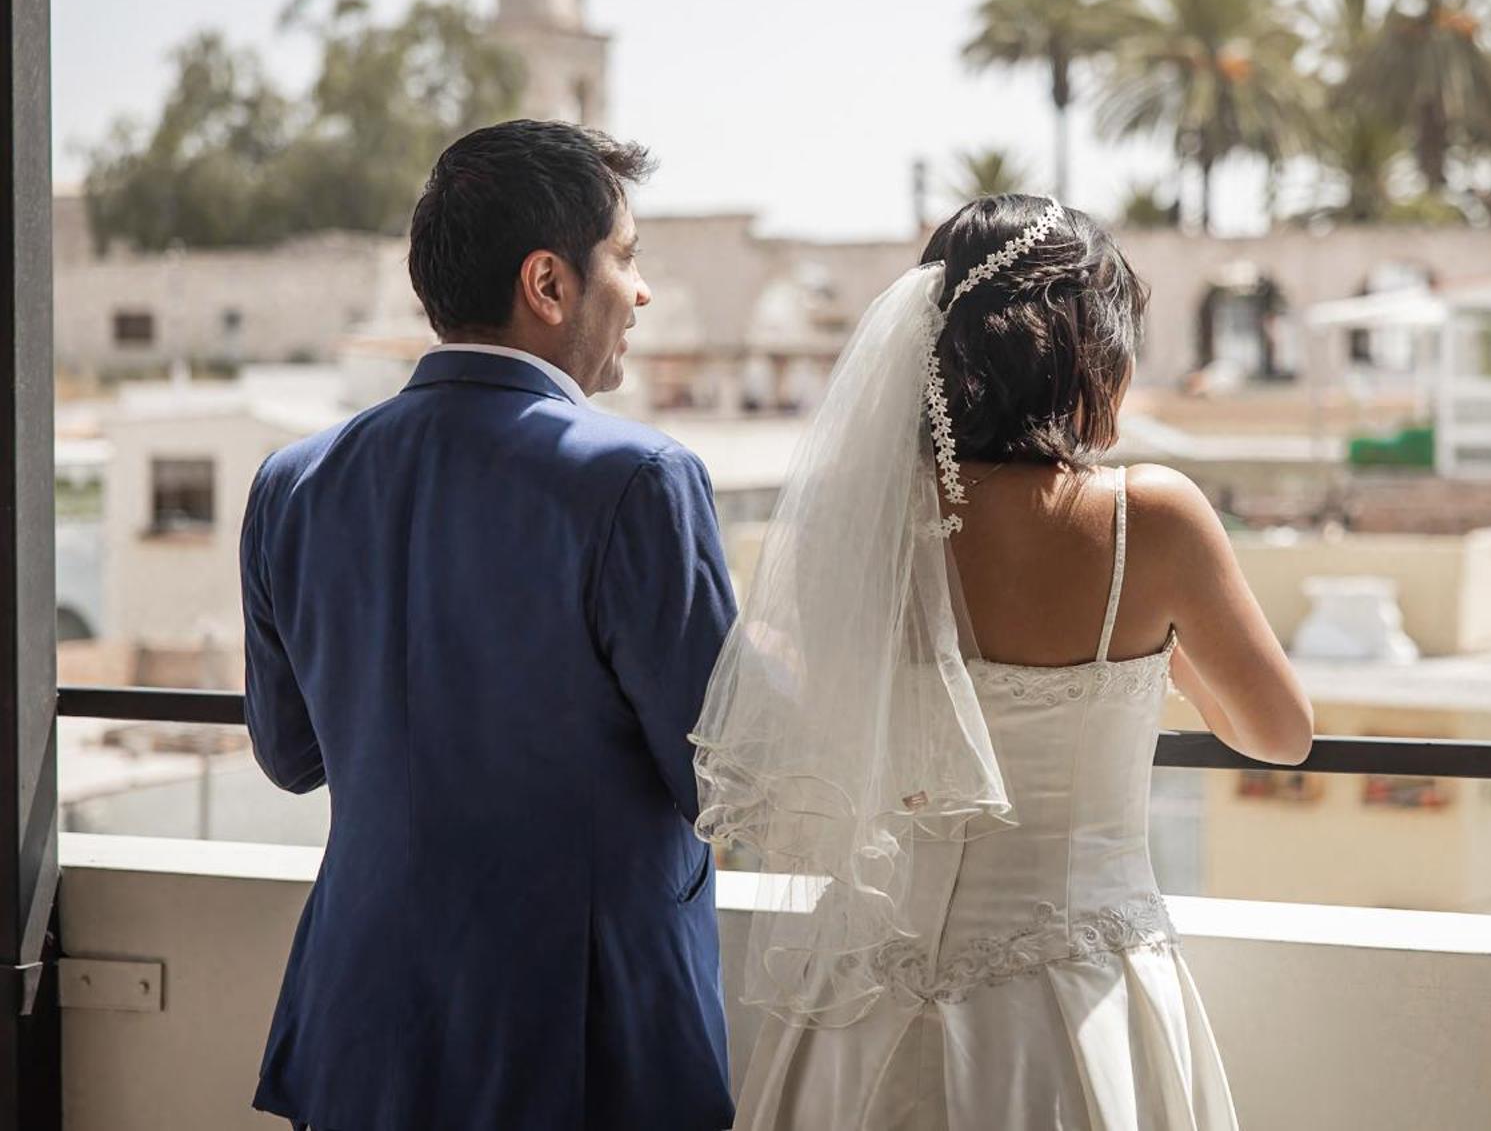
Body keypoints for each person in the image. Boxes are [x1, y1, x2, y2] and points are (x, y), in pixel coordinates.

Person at [694, 194, 1314, 1129]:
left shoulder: (869, 528)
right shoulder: (1148, 517)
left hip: (868, 1004)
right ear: (1083, 348)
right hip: (1076, 1006)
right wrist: (1157, 655)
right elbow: (1279, 733)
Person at [240, 120, 736, 1130]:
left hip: (361, 1024)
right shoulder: (641, 479)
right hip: (581, 1040)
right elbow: (719, 776)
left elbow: (291, 754)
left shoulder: (292, 483)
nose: (639, 293)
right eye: (626, 259)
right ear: (548, 284)